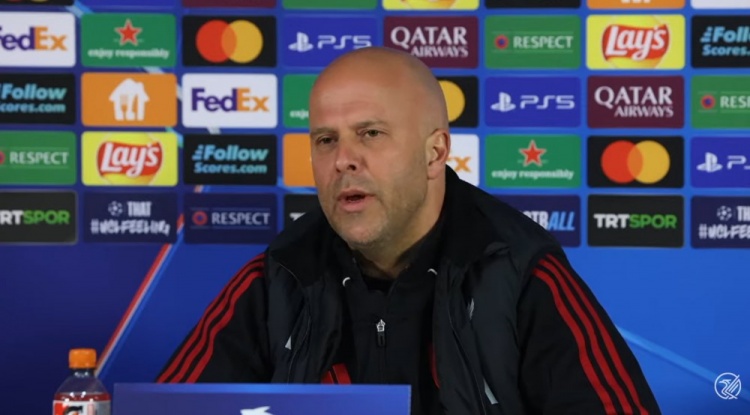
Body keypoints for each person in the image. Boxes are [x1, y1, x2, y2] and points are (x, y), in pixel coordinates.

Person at [156, 46, 661, 415]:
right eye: (326, 140)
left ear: (435, 152)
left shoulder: (519, 272)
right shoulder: (282, 274)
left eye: (370, 134)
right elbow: (171, 409)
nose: (343, 160)